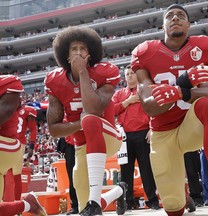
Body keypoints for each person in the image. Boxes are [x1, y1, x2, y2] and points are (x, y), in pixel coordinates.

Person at [131, 4, 208, 216]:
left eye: (181, 15)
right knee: (173, 208)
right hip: (163, 133)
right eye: (169, 16)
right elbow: (150, 107)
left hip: (193, 125)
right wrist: (183, 82)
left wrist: (180, 92)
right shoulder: (146, 52)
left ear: (189, 24)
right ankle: (182, 194)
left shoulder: (204, 47)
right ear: (163, 25)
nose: (175, 18)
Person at [44, 26, 127, 216]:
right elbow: (54, 130)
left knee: (89, 118)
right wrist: (79, 124)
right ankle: (119, 191)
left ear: (90, 54)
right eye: (74, 49)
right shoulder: (54, 80)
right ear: (66, 54)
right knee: (85, 207)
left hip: (108, 136)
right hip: (81, 143)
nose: (79, 53)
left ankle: (97, 201)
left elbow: (94, 109)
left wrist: (82, 73)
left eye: (83, 49)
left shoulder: (105, 71)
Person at [112, 64, 160, 210]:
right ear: (124, 77)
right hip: (124, 136)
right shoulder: (119, 94)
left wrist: (152, 128)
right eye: (128, 74)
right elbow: (111, 110)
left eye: (133, 73)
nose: (130, 76)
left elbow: (154, 109)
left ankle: (152, 200)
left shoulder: (144, 90)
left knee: (146, 169)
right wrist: (127, 102)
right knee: (125, 170)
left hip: (142, 133)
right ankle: (128, 202)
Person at [3, 101, 38, 202]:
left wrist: (31, 145)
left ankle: (17, 203)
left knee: (16, 173)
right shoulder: (8, 110)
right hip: (6, 141)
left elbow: (33, 129)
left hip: (19, 143)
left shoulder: (27, 110)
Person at [0, 75, 24, 202]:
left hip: (8, 142)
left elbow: (6, 110)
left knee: (16, 175)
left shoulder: (7, 82)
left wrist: (31, 143)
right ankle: (26, 205)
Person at [56, 137, 79, 215]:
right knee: (72, 176)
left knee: (82, 175)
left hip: (81, 140)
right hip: (70, 143)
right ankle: (75, 205)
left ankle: (88, 202)